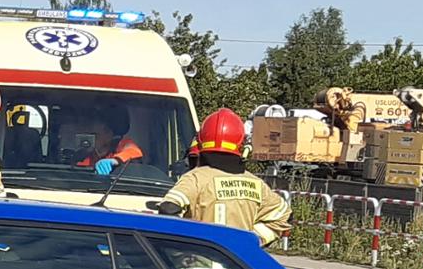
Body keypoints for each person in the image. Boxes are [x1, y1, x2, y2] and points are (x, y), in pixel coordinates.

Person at [158, 108, 291, 246]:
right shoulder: (257, 185)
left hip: (199, 263)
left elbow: (168, 208)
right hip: (236, 263)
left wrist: (187, 245)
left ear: (201, 143)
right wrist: (250, 240)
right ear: (242, 146)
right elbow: (284, 217)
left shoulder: (196, 178)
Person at [73, 105, 144, 175]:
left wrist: (115, 160)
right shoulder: (85, 156)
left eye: (95, 135)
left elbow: (134, 151)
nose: (91, 138)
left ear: (109, 133)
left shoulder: (122, 144)